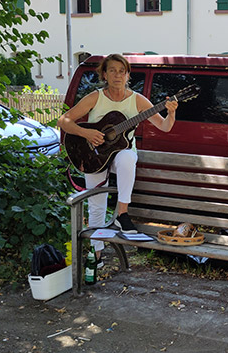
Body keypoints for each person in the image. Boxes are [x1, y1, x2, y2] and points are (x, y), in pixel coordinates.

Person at [58, 54, 178, 265]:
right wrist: (86, 134)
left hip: (120, 157)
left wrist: (172, 113)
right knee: (96, 205)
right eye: (112, 70)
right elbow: (64, 120)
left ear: (128, 75)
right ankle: (96, 257)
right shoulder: (95, 97)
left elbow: (165, 127)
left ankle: (122, 214)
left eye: (122, 71)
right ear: (104, 74)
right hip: (93, 154)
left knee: (127, 157)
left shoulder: (137, 100)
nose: (117, 75)